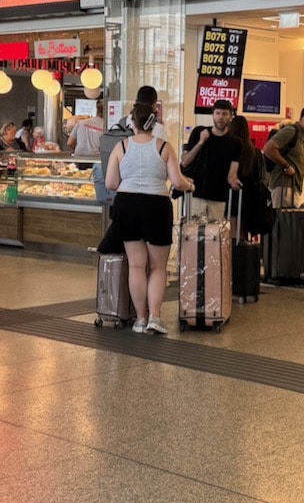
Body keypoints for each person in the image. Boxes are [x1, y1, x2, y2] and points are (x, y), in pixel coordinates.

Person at [104, 100, 193, 335]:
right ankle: (155, 317)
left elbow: (110, 183)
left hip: (127, 205)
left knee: (136, 265)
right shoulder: (164, 147)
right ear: (154, 124)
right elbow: (177, 182)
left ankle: (140, 320)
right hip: (156, 206)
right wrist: (189, 185)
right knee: (157, 267)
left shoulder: (121, 147)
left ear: (132, 123)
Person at [180, 99, 243, 220]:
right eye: (218, 113)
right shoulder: (198, 132)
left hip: (219, 196)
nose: (221, 117)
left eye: (225, 114)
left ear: (231, 117)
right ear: (213, 115)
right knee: (193, 229)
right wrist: (200, 143)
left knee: (215, 230)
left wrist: (234, 181)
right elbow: (185, 162)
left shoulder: (236, 143)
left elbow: (232, 173)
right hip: (196, 193)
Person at [262, 106, 304, 210]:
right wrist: (286, 166)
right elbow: (268, 148)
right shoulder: (291, 131)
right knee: (284, 217)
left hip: (294, 186)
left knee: (290, 216)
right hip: (284, 185)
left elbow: (297, 161)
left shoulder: (302, 137)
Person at [227, 115, 270, 237]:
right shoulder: (255, 152)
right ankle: (243, 247)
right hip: (250, 199)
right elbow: (258, 176)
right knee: (243, 231)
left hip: (231, 196)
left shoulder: (229, 150)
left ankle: (234, 248)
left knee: (231, 229)